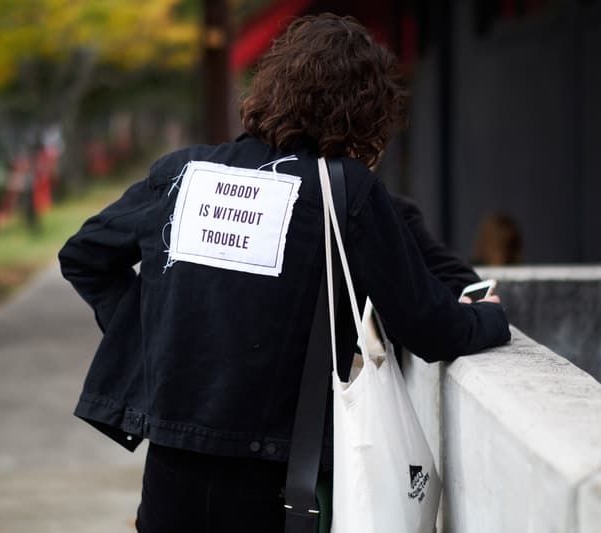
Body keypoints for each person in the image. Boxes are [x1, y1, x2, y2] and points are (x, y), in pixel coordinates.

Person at [59, 13, 509, 533]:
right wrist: (490, 319)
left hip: (168, 475)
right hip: (278, 485)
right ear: (365, 110)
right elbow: (426, 325)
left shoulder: (187, 173)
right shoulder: (347, 194)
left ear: (272, 85)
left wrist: (152, 337)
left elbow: (85, 256)